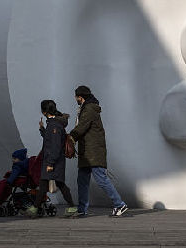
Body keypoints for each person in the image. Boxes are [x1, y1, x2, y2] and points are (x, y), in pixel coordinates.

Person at [69, 85, 128, 217]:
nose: (75, 99)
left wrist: (71, 137)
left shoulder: (89, 109)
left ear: (80, 97)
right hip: (87, 152)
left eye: (76, 96)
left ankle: (120, 204)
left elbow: (82, 126)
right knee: (82, 181)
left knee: (101, 179)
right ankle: (82, 209)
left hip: (93, 152)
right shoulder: (85, 108)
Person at [26, 100, 78, 217]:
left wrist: (50, 163)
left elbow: (55, 146)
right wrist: (42, 129)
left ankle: (34, 210)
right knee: (52, 184)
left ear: (44, 111)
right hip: (54, 160)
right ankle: (35, 210)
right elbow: (50, 139)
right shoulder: (54, 124)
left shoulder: (54, 125)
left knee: (49, 184)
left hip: (53, 161)